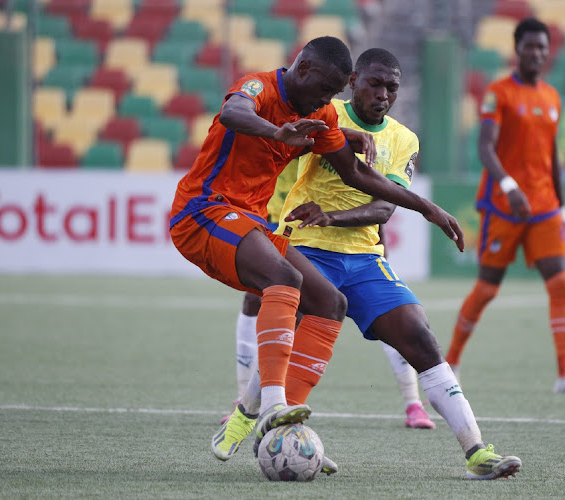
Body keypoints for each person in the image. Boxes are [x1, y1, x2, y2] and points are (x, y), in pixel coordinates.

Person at [216, 47, 522, 480]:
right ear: (353, 81)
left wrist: (337, 215)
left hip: (363, 257)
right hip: (305, 245)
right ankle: (249, 418)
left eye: (391, 88)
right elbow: (282, 153)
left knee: (420, 337)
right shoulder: (324, 111)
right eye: (374, 84)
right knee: (289, 336)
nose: (382, 94)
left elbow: (382, 209)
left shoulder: (404, 139)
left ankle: (476, 452)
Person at [169, 36, 465, 473]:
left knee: (329, 302)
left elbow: (357, 174)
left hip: (250, 220)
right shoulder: (258, 87)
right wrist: (276, 132)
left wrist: (426, 207)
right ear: (303, 68)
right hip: (202, 211)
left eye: (333, 95)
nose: (328, 102)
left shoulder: (320, 113)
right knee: (283, 280)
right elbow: (233, 113)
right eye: (325, 91)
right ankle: (272, 409)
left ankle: (267, 424)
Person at [445, 18, 565, 395]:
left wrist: (562, 206)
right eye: (530, 46)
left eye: (543, 48)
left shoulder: (552, 97)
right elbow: (485, 147)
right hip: (504, 205)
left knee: (561, 281)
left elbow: (551, 157)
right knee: (486, 289)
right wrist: (508, 184)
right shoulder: (498, 93)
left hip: (546, 207)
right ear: (517, 50)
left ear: (549, 54)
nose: (536, 53)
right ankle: (450, 361)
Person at [224, 160, 436, 431]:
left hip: (320, 227)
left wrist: (379, 239)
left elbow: (363, 180)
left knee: (389, 313)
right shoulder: (280, 134)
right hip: (276, 220)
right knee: (259, 303)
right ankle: (244, 400)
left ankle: (413, 402)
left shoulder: (320, 137)